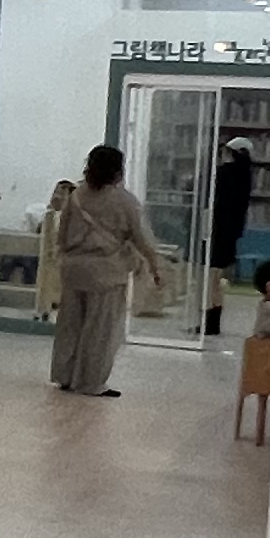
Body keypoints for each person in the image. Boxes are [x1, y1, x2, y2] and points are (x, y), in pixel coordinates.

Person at [50, 143, 168, 396]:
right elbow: (142, 238)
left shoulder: (76, 196)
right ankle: (91, 382)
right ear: (117, 170)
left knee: (70, 325)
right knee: (100, 329)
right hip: (106, 272)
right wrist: (154, 266)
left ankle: (64, 375)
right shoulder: (124, 201)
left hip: (74, 269)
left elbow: (62, 234)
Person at [206, 136, 259, 335]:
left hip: (217, 229)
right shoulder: (246, 175)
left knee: (211, 277)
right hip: (230, 233)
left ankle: (210, 320)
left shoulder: (224, 173)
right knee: (217, 277)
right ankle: (213, 320)